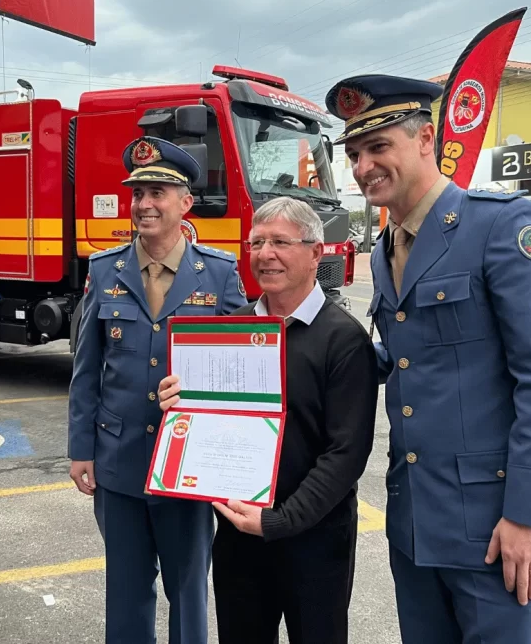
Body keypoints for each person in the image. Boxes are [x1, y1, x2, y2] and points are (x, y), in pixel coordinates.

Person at [328, 74, 531, 643]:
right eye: (354, 153)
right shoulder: (384, 249)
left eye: (378, 147)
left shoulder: (501, 225)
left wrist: (530, 516)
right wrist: (281, 356)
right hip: (418, 525)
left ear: (425, 140)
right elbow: (404, 361)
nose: (363, 166)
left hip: (499, 530)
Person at [157, 197, 379, 644]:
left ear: (316, 252)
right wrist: (177, 405)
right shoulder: (231, 330)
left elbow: (347, 453)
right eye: (256, 242)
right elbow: (207, 424)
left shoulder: (344, 339)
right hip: (239, 533)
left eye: (280, 242)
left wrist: (279, 520)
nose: (264, 254)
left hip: (315, 540)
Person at [67, 135, 247, 644]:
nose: (144, 204)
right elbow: (86, 369)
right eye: (137, 193)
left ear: (185, 202)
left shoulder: (218, 272)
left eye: (157, 193)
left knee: (189, 590)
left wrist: (205, 395)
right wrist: (82, 449)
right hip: (119, 459)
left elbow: (240, 370)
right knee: (125, 589)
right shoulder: (105, 271)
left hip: (188, 462)